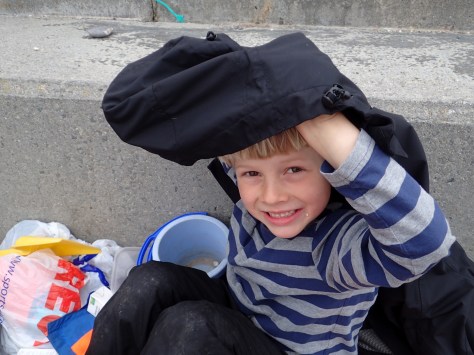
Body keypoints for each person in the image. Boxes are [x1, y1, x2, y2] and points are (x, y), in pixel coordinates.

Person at [86, 32, 458, 354]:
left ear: (333, 172)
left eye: (294, 170)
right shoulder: (253, 195)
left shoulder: (336, 247)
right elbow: (133, 102)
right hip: (238, 311)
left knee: (190, 325)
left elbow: (425, 243)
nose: (272, 195)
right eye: (251, 173)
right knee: (149, 281)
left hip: (285, 349)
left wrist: (324, 120)